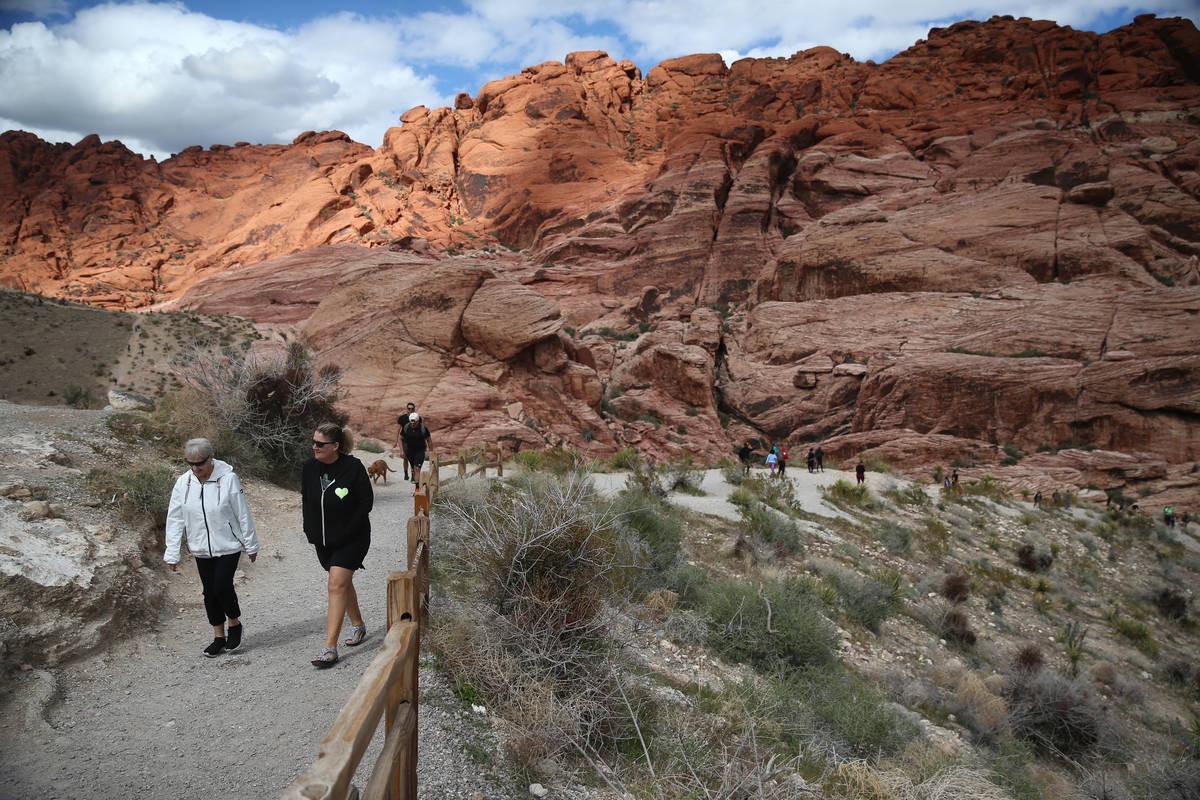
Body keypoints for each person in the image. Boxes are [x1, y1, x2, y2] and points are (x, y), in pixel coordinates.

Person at [164, 438, 260, 658]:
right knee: (209, 592)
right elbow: (175, 518)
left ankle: (234, 623)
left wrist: (251, 544)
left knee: (221, 586)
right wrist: (172, 552)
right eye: (190, 463)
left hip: (228, 545)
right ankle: (218, 636)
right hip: (200, 547)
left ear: (211, 458)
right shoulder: (183, 483)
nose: (195, 468)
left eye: (200, 463)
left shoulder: (228, 479)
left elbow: (242, 513)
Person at [302, 422, 374, 668]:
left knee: (335, 583)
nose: (315, 447)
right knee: (341, 582)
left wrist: (346, 531)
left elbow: (366, 503)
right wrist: (309, 529)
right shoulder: (309, 468)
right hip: (323, 540)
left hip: (352, 538)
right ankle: (358, 625)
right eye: (313, 442)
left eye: (320, 444)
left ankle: (329, 648)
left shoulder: (353, 467)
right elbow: (306, 500)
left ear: (335, 446)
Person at [401, 412, 432, 488]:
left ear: (418, 421)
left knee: (417, 469)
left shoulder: (423, 429)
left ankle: (417, 489)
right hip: (410, 451)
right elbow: (401, 438)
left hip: (420, 451)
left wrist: (431, 452)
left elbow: (429, 440)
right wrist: (402, 450)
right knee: (414, 470)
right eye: (411, 421)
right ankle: (417, 485)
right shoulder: (406, 427)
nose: (412, 424)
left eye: (414, 422)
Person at [394, 401, 417, 481]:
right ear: (406, 409)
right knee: (405, 458)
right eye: (409, 408)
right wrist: (395, 441)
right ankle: (406, 473)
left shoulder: (416, 418)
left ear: (414, 409)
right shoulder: (402, 418)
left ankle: (413, 475)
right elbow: (398, 430)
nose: (410, 410)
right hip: (404, 441)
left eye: (412, 408)